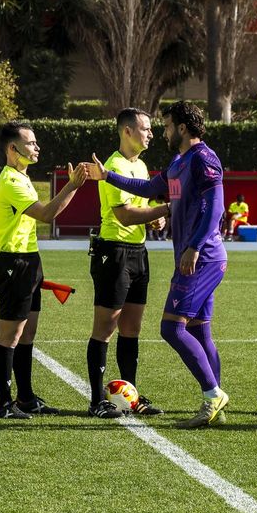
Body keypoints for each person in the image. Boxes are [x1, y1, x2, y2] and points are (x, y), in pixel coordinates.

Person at [85, 102, 229, 429]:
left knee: (171, 327)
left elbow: (214, 208)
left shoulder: (204, 158)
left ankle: (212, 395)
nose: (160, 132)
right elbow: (149, 188)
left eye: (164, 126)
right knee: (198, 329)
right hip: (193, 256)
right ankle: (216, 401)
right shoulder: (179, 163)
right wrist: (107, 175)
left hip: (202, 257)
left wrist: (193, 248)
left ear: (181, 127)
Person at [0, 121, 88, 419]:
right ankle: (4, 404)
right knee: (10, 335)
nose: (36, 148)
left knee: (28, 333)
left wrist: (71, 187)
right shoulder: (12, 180)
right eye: (30, 143)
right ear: (12, 149)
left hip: (30, 261)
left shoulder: (22, 176)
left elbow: (44, 213)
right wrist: (72, 185)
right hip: (14, 264)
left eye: (35, 143)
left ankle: (26, 398)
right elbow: (46, 214)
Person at [86, 109, 171, 418]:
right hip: (114, 252)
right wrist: (165, 208)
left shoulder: (142, 166)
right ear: (127, 132)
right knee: (106, 326)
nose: (150, 133)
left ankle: (130, 395)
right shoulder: (112, 166)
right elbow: (123, 214)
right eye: (145, 129)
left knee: (132, 327)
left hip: (138, 251)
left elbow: (142, 209)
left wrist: (155, 220)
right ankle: (98, 400)